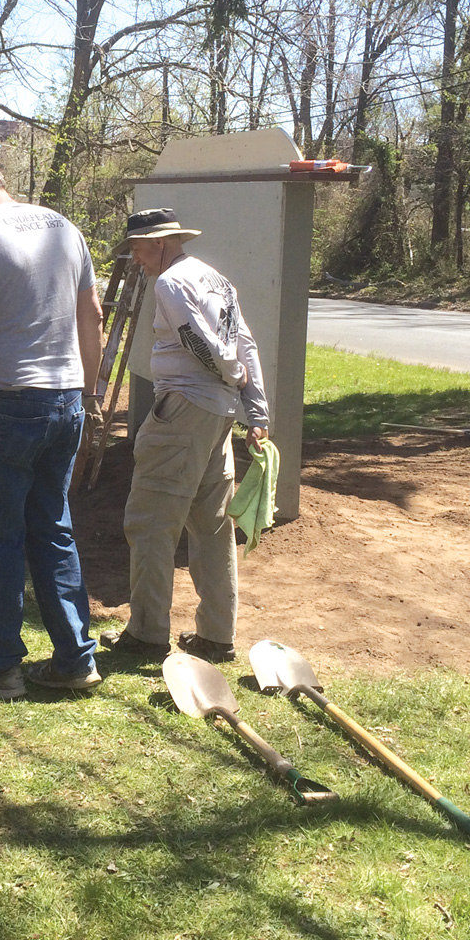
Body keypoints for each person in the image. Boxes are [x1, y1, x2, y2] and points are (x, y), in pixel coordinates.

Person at [0, 157, 104, 699]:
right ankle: (76, 661)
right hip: (65, 402)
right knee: (53, 529)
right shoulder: (64, 228)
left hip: (8, 406)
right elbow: (92, 316)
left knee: (0, 539)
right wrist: (88, 392)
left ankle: (2, 668)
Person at [101, 208, 270, 664]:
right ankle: (217, 635)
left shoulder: (171, 283)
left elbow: (201, 343)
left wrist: (232, 375)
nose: (135, 258)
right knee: (212, 525)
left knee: (151, 520)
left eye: (137, 248)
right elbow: (245, 342)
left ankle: (146, 634)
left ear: (159, 242)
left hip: (185, 412)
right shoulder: (215, 279)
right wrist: (255, 407)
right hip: (217, 414)